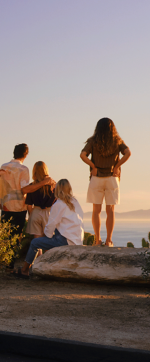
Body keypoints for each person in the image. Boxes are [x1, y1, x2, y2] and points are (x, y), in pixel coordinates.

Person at [0, 144, 54, 265]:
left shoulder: (3, 167)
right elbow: (25, 190)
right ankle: (12, 265)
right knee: (16, 237)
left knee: (5, 236)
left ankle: (4, 264)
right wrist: (44, 182)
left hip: (5, 207)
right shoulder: (23, 169)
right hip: (18, 208)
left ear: (14, 152)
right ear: (25, 155)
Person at [15, 179, 84, 278]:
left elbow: (51, 225)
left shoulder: (58, 204)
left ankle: (25, 270)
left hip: (65, 240)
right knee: (52, 233)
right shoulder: (75, 202)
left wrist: (46, 237)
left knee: (35, 243)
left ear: (56, 190)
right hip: (77, 239)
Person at [79, 118, 131, 247]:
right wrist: (117, 166)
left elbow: (82, 155)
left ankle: (97, 240)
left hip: (96, 178)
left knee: (96, 210)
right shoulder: (117, 140)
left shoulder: (93, 141)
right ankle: (109, 241)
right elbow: (128, 153)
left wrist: (93, 167)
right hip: (112, 178)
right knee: (110, 210)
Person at [25, 161, 56, 239]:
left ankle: (38, 252)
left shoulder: (32, 186)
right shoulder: (53, 185)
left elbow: (29, 205)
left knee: (37, 240)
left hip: (36, 212)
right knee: (48, 239)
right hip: (48, 213)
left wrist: (31, 215)